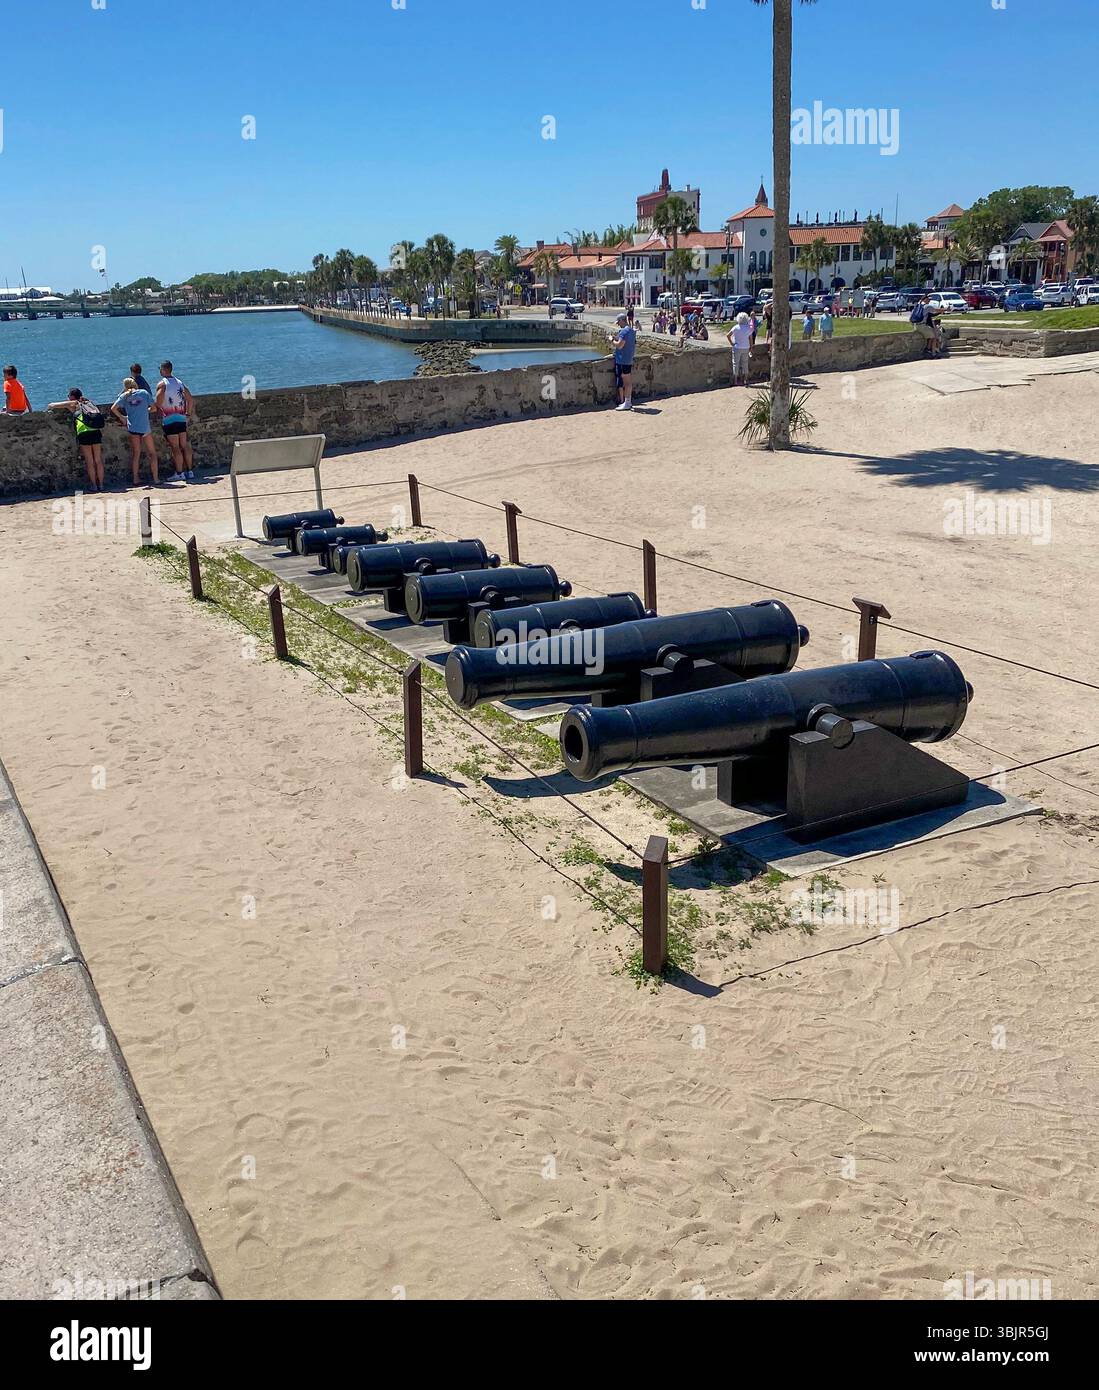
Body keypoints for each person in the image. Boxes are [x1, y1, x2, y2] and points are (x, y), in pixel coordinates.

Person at [48, 388, 106, 490]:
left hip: (83, 432)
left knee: (89, 460)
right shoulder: (88, 402)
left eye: (69, 396)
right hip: (95, 431)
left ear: (72, 397)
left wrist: (50, 405)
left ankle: (94, 485)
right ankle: (101, 485)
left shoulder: (73, 404)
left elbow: (53, 405)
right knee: (98, 460)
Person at [111, 377, 160, 487]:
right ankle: (156, 479)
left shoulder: (125, 396)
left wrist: (122, 417)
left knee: (136, 454)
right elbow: (154, 408)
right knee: (152, 453)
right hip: (145, 427)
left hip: (133, 427)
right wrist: (145, 410)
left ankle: (135, 479)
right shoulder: (144, 393)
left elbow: (113, 408)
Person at [155, 360, 195, 482]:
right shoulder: (179, 382)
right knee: (184, 445)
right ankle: (190, 471)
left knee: (175, 447)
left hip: (169, 418)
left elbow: (158, 401)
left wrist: (155, 408)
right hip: (181, 417)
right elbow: (190, 399)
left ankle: (179, 473)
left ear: (163, 370)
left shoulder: (162, 384)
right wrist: (187, 413)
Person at [611, 312, 636, 411]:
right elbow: (627, 342)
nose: (618, 324)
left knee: (626, 382)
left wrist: (611, 340)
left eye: (618, 322)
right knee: (628, 382)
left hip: (623, 360)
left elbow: (620, 345)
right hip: (628, 359)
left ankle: (627, 403)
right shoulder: (631, 330)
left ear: (622, 320)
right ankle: (627, 402)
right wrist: (617, 338)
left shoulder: (624, 332)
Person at [727, 311, 753, 386]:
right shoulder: (748, 328)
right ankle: (745, 380)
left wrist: (732, 343)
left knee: (736, 363)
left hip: (737, 347)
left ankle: (735, 380)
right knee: (745, 363)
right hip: (746, 347)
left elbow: (728, 335)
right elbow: (751, 339)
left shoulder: (736, 327)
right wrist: (751, 348)